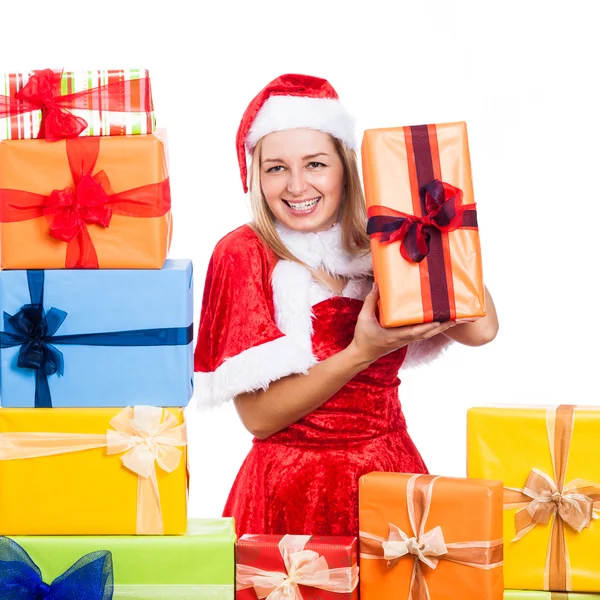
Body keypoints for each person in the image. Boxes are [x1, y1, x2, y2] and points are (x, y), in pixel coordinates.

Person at [193, 73, 499, 537]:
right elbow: (259, 418)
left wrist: (426, 218)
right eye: (276, 168)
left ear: (346, 166)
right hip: (287, 492)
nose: (296, 186)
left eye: (315, 164)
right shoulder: (243, 253)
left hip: (389, 479)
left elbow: (480, 330)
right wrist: (361, 352)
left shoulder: (383, 241)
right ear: (257, 176)